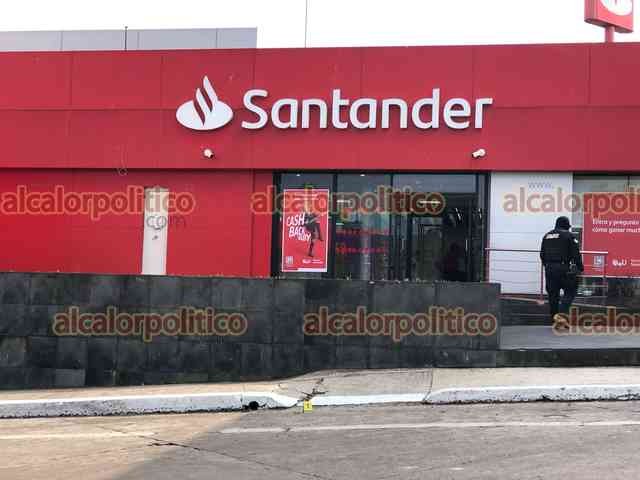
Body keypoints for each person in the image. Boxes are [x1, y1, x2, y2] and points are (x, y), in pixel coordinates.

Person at [540, 216, 584, 329]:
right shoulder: (569, 236)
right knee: (571, 290)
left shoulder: (547, 236)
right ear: (566, 225)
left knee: (553, 295)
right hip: (563, 268)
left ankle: (555, 321)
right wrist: (580, 267)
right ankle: (560, 315)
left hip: (549, 268)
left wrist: (547, 265)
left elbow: (542, 254)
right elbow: (576, 254)